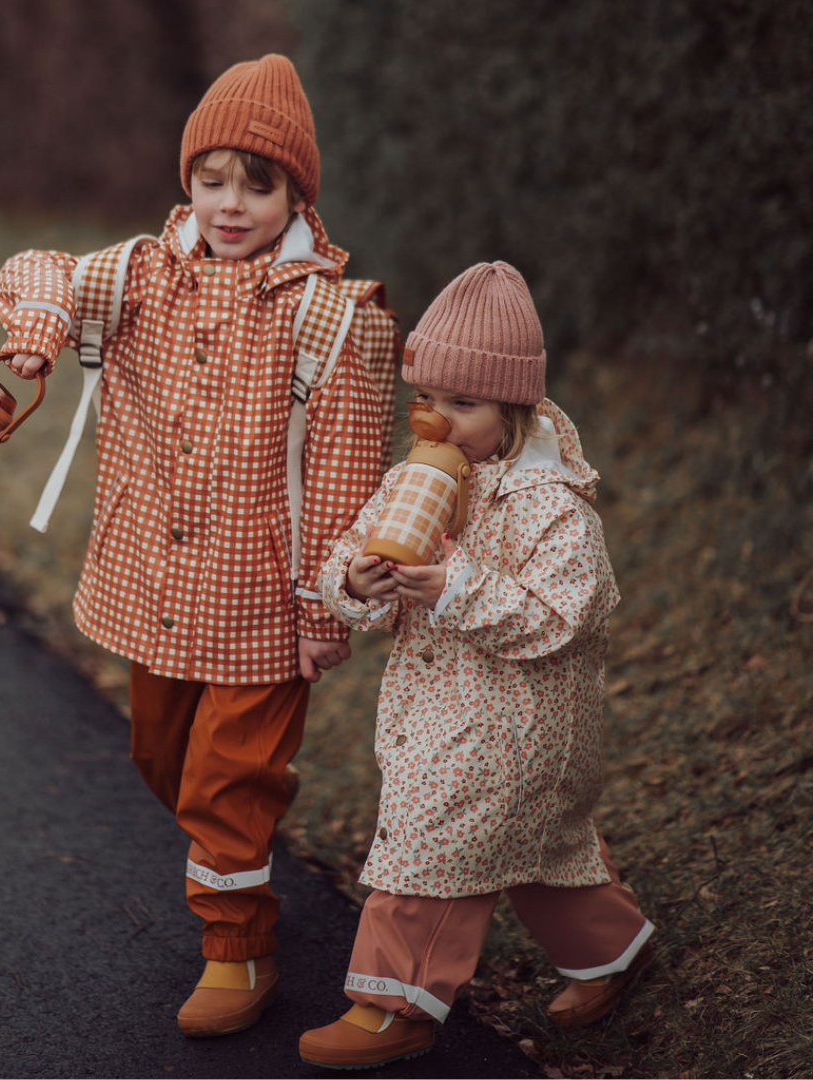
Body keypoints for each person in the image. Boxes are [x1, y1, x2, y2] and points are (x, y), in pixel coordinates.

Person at [0, 55, 386, 1037]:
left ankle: (238, 948)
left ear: (296, 196)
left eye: (258, 185)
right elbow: (34, 268)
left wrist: (326, 611)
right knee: (161, 756)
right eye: (212, 180)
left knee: (225, 784)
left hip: (263, 600)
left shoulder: (332, 318)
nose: (231, 204)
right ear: (189, 182)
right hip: (153, 586)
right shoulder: (138, 277)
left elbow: (341, 483)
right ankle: (234, 835)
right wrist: (41, 326)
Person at [298, 262, 654, 1069]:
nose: (438, 420)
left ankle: (393, 1008)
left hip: (520, 727)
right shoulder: (414, 477)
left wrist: (454, 586)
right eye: (426, 398)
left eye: (463, 404)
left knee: (436, 844)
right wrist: (355, 581)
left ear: (513, 408)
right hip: (436, 712)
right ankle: (614, 948)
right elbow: (356, 544)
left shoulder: (551, 505)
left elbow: (562, 617)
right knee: (537, 856)